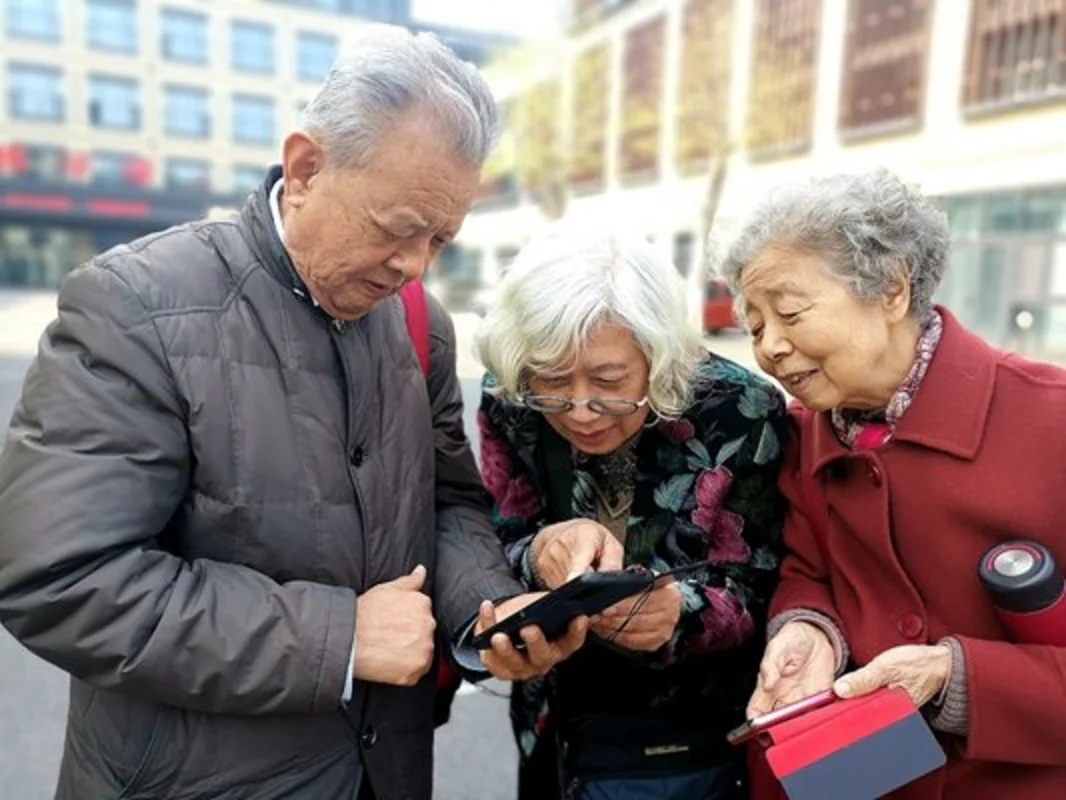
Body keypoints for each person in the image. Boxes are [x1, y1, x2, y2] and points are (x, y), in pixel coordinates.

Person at [0, 27, 594, 800]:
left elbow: (447, 503)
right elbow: (60, 578)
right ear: (307, 167)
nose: (415, 266)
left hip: (383, 770)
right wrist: (337, 638)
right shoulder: (135, 307)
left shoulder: (422, 324)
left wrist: (489, 611)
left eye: (441, 239)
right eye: (399, 229)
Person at [723, 169, 1066, 799]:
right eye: (753, 325)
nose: (770, 348)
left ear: (891, 289)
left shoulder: (1053, 419)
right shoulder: (805, 432)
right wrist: (808, 629)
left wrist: (953, 676)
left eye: (791, 313)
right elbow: (809, 569)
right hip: (865, 773)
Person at [473, 228, 787, 799]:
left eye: (611, 382)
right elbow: (494, 537)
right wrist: (538, 557)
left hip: (692, 740)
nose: (582, 410)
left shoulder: (740, 407)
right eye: (553, 381)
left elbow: (764, 581)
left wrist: (681, 612)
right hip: (554, 720)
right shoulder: (511, 399)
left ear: (658, 355)